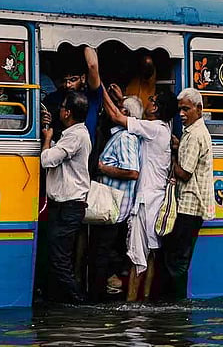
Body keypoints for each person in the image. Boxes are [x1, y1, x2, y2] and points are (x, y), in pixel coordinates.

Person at [94, 58, 177, 302]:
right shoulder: (160, 130)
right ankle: (145, 300)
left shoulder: (155, 129)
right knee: (149, 255)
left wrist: (99, 87)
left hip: (146, 201)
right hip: (154, 198)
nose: (149, 103)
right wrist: (121, 102)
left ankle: (132, 307)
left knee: (137, 258)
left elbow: (119, 118)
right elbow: (129, 116)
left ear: (157, 108)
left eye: (152, 101)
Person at [88, 95, 142, 301]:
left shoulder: (125, 138)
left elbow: (132, 171)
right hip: (111, 206)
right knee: (101, 252)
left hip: (114, 207)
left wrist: (102, 168)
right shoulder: (119, 135)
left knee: (101, 253)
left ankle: (99, 298)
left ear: (126, 114)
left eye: (120, 108)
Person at [40, 91, 92, 305]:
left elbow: (47, 160)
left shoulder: (76, 136)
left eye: (62, 107)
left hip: (68, 206)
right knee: (56, 256)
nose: (59, 109)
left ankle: (77, 303)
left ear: (68, 112)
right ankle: (61, 300)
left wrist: (48, 139)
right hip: (64, 206)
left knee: (60, 259)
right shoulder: (74, 133)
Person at [163, 88, 215, 300]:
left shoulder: (194, 135)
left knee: (177, 261)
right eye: (180, 110)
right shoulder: (193, 133)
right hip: (191, 205)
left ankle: (177, 304)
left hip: (189, 205)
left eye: (186, 109)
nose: (181, 114)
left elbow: (184, 173)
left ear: (199, 108)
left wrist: (169, 157)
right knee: (178, 258)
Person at [41, 49, 103, 146]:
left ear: (82, 78)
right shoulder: (56, 97)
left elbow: (92, 66)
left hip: (87, 150)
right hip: (62, 148)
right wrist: (44, 120)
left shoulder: (91, 95)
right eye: (65, 81)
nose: (68, 84)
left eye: (73, 80)